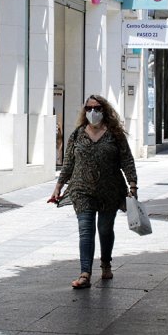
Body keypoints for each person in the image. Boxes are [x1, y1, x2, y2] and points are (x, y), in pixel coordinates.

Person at [49, 95, 138, 289]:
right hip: (82, 190)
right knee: (85, 230)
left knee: (105, 230)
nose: (92, 112)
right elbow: (69, 163)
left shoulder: (115, 134)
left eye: (97, 108)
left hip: (110, 190)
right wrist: (59, 186)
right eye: (88, 108)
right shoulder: (78, 134)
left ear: (104, 110)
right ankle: (85, 273)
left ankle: (106, 263)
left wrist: (133, 185)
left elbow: (127, 160)